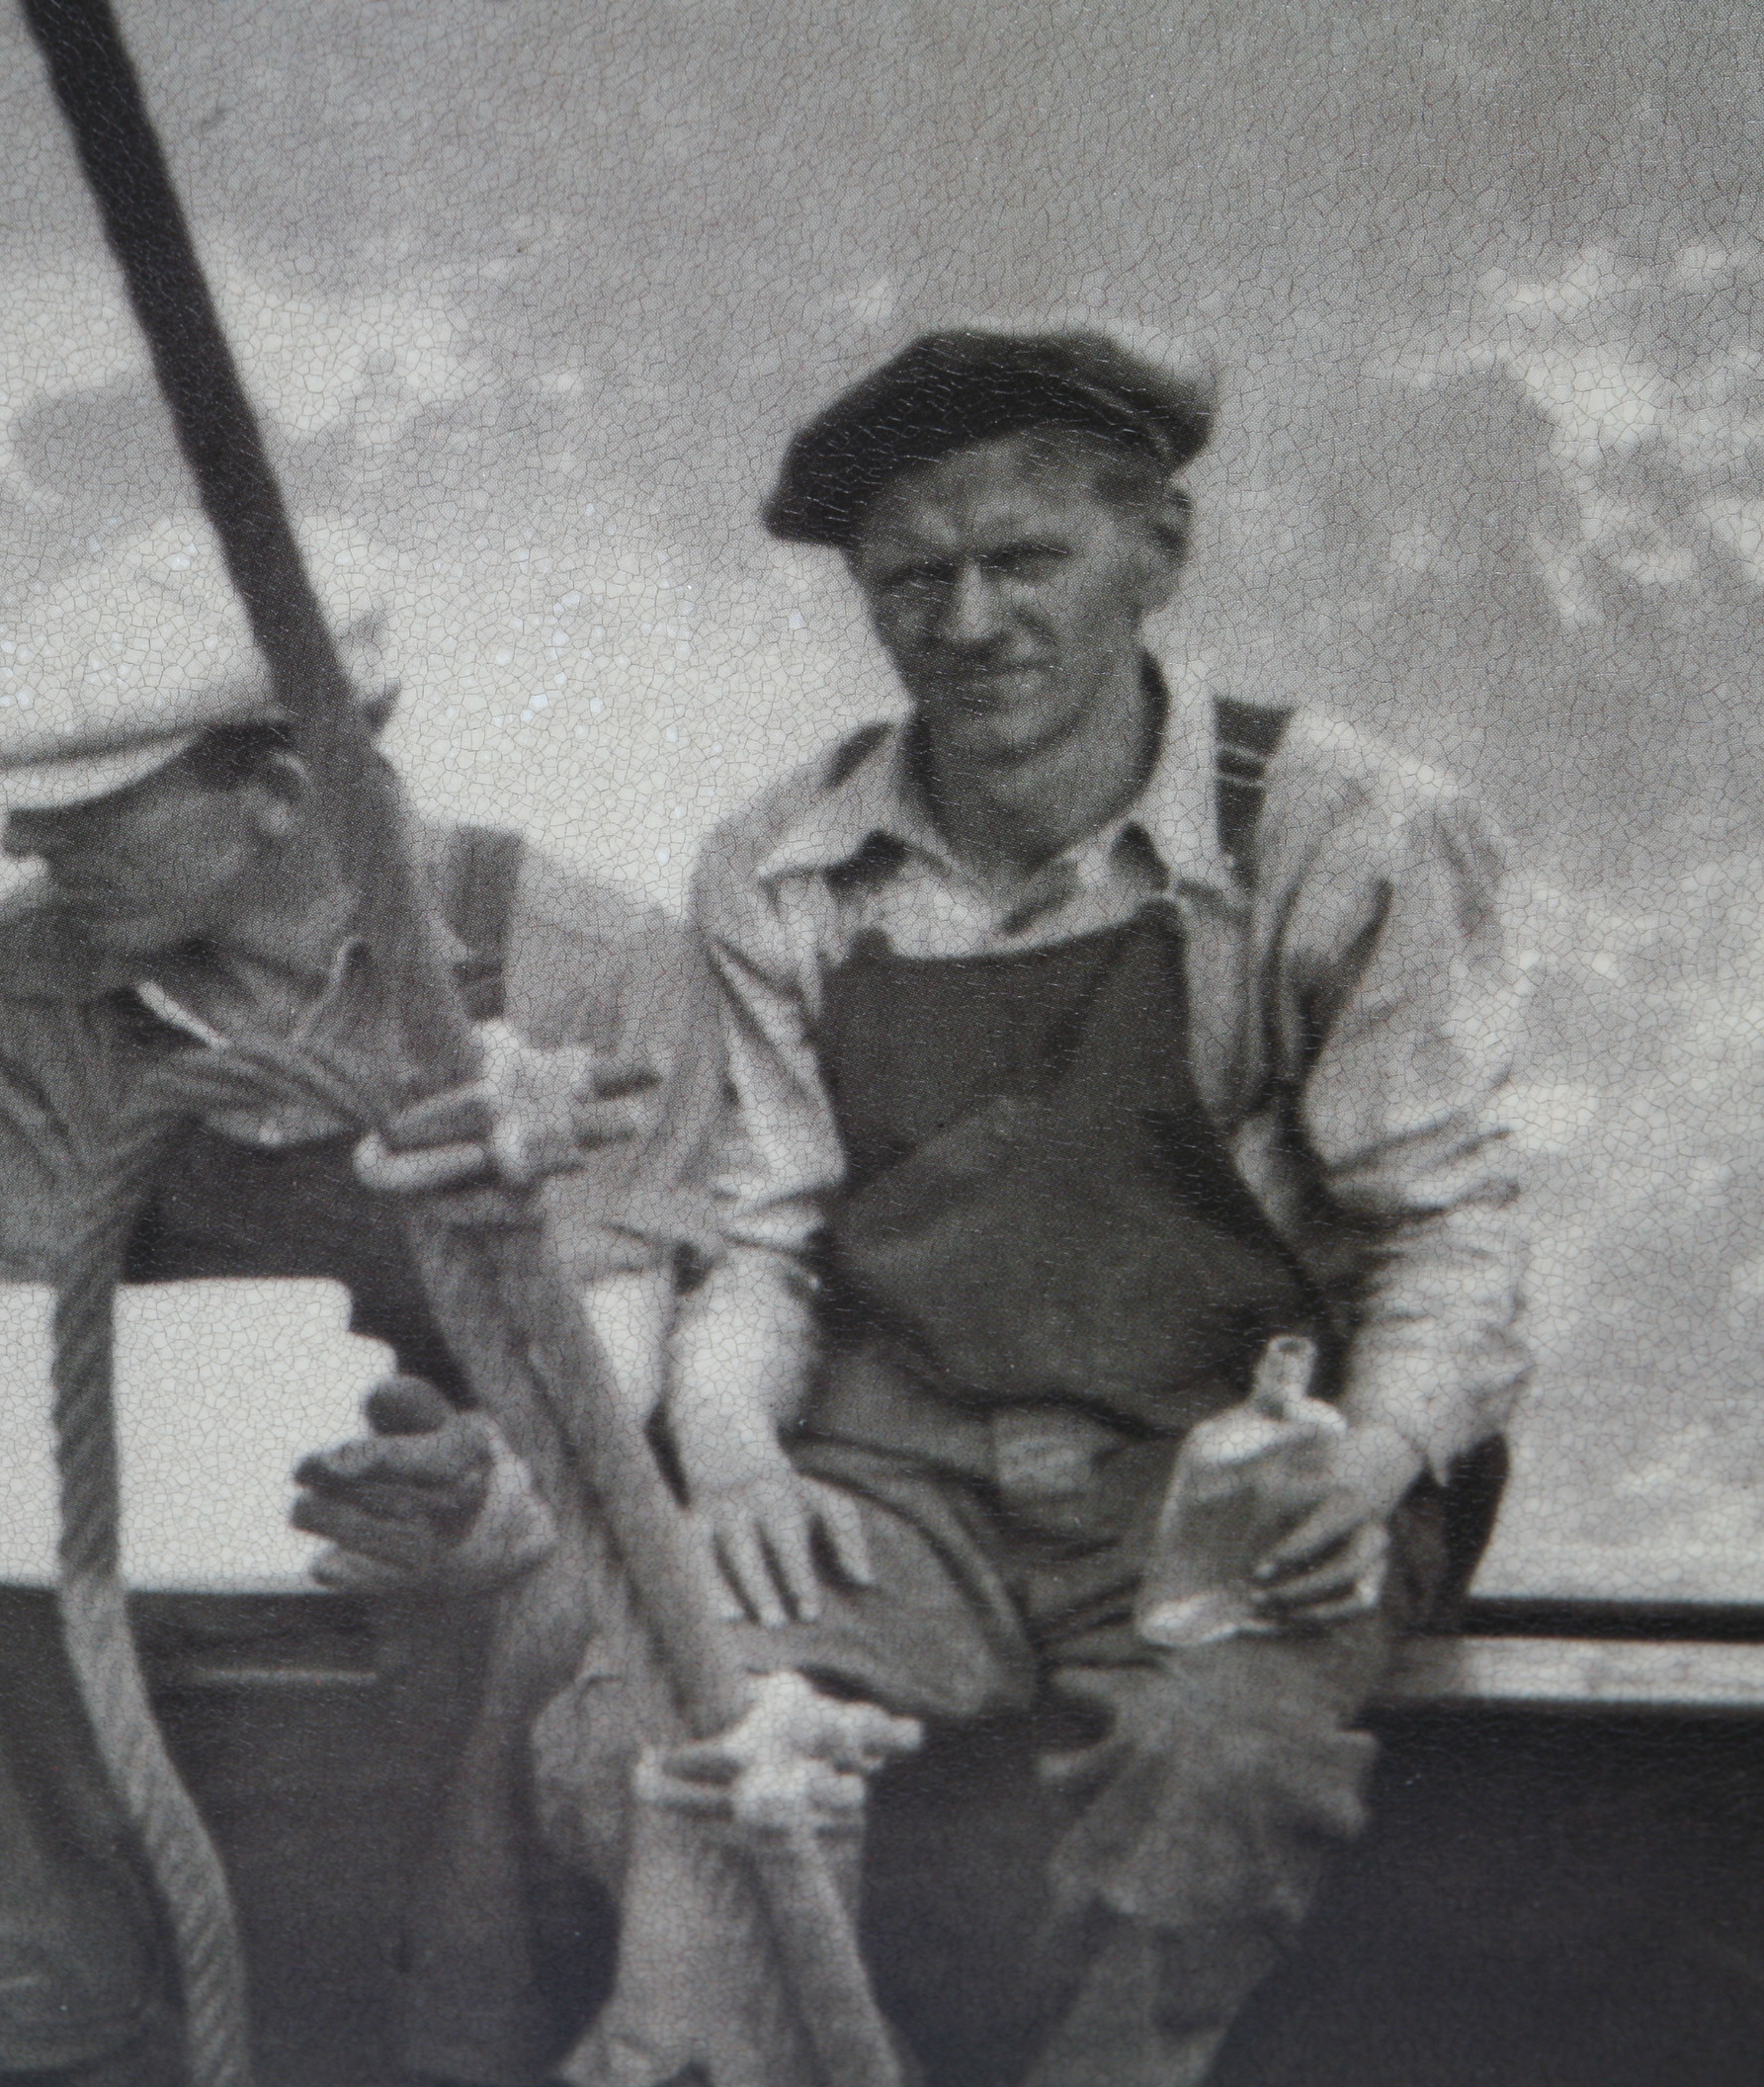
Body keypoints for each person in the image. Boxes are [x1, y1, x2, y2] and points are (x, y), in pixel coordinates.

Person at [315, 325, 1531, 2087]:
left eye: (1025, 560)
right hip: (910, 1469)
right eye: (913, 581)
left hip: (1236, 1474)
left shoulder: (1347, 829)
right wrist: (730, 1457)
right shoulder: (786, 857)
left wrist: (1380, 1455)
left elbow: (1450, 1230)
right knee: (664, 1726)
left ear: (1157, 552)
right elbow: (766, 1233)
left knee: (1223, 1776)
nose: (970, 625)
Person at [0, 520, 725, 2087]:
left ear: (282, 793)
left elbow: (612, 1353)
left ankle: (459, 2052)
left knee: (534, 1599)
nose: (22, 857)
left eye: (80, 817)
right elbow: (21, 1321)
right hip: (164, 1492)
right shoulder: (22, 983)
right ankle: (44, 2047)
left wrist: (482, 1489)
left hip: (493, 1488)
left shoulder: (587, 962)